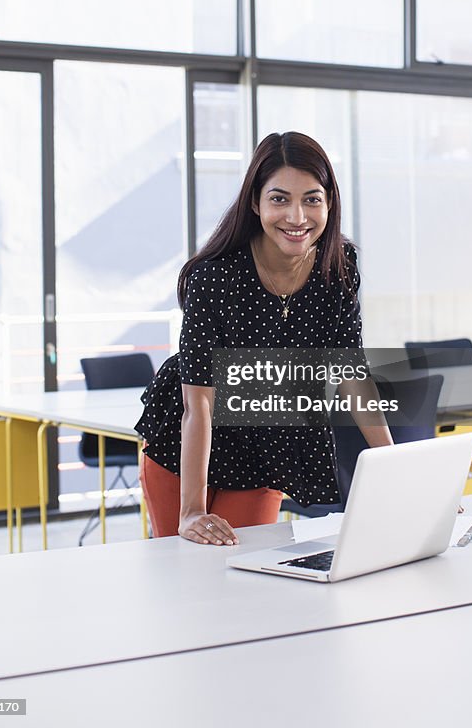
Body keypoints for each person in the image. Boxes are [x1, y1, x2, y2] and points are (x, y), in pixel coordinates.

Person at [136, 131, 393, 545]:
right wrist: (192, 512)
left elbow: (351, 371)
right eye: (279, 199)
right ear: (255, 203)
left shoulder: (338, 266)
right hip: (183, 443)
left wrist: (394, 468)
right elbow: (198, 402)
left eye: (312, 199)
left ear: (329, 202)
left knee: (248, 575)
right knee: (185, 567)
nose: (297, 217)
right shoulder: (215, 277)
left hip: (263, 441)